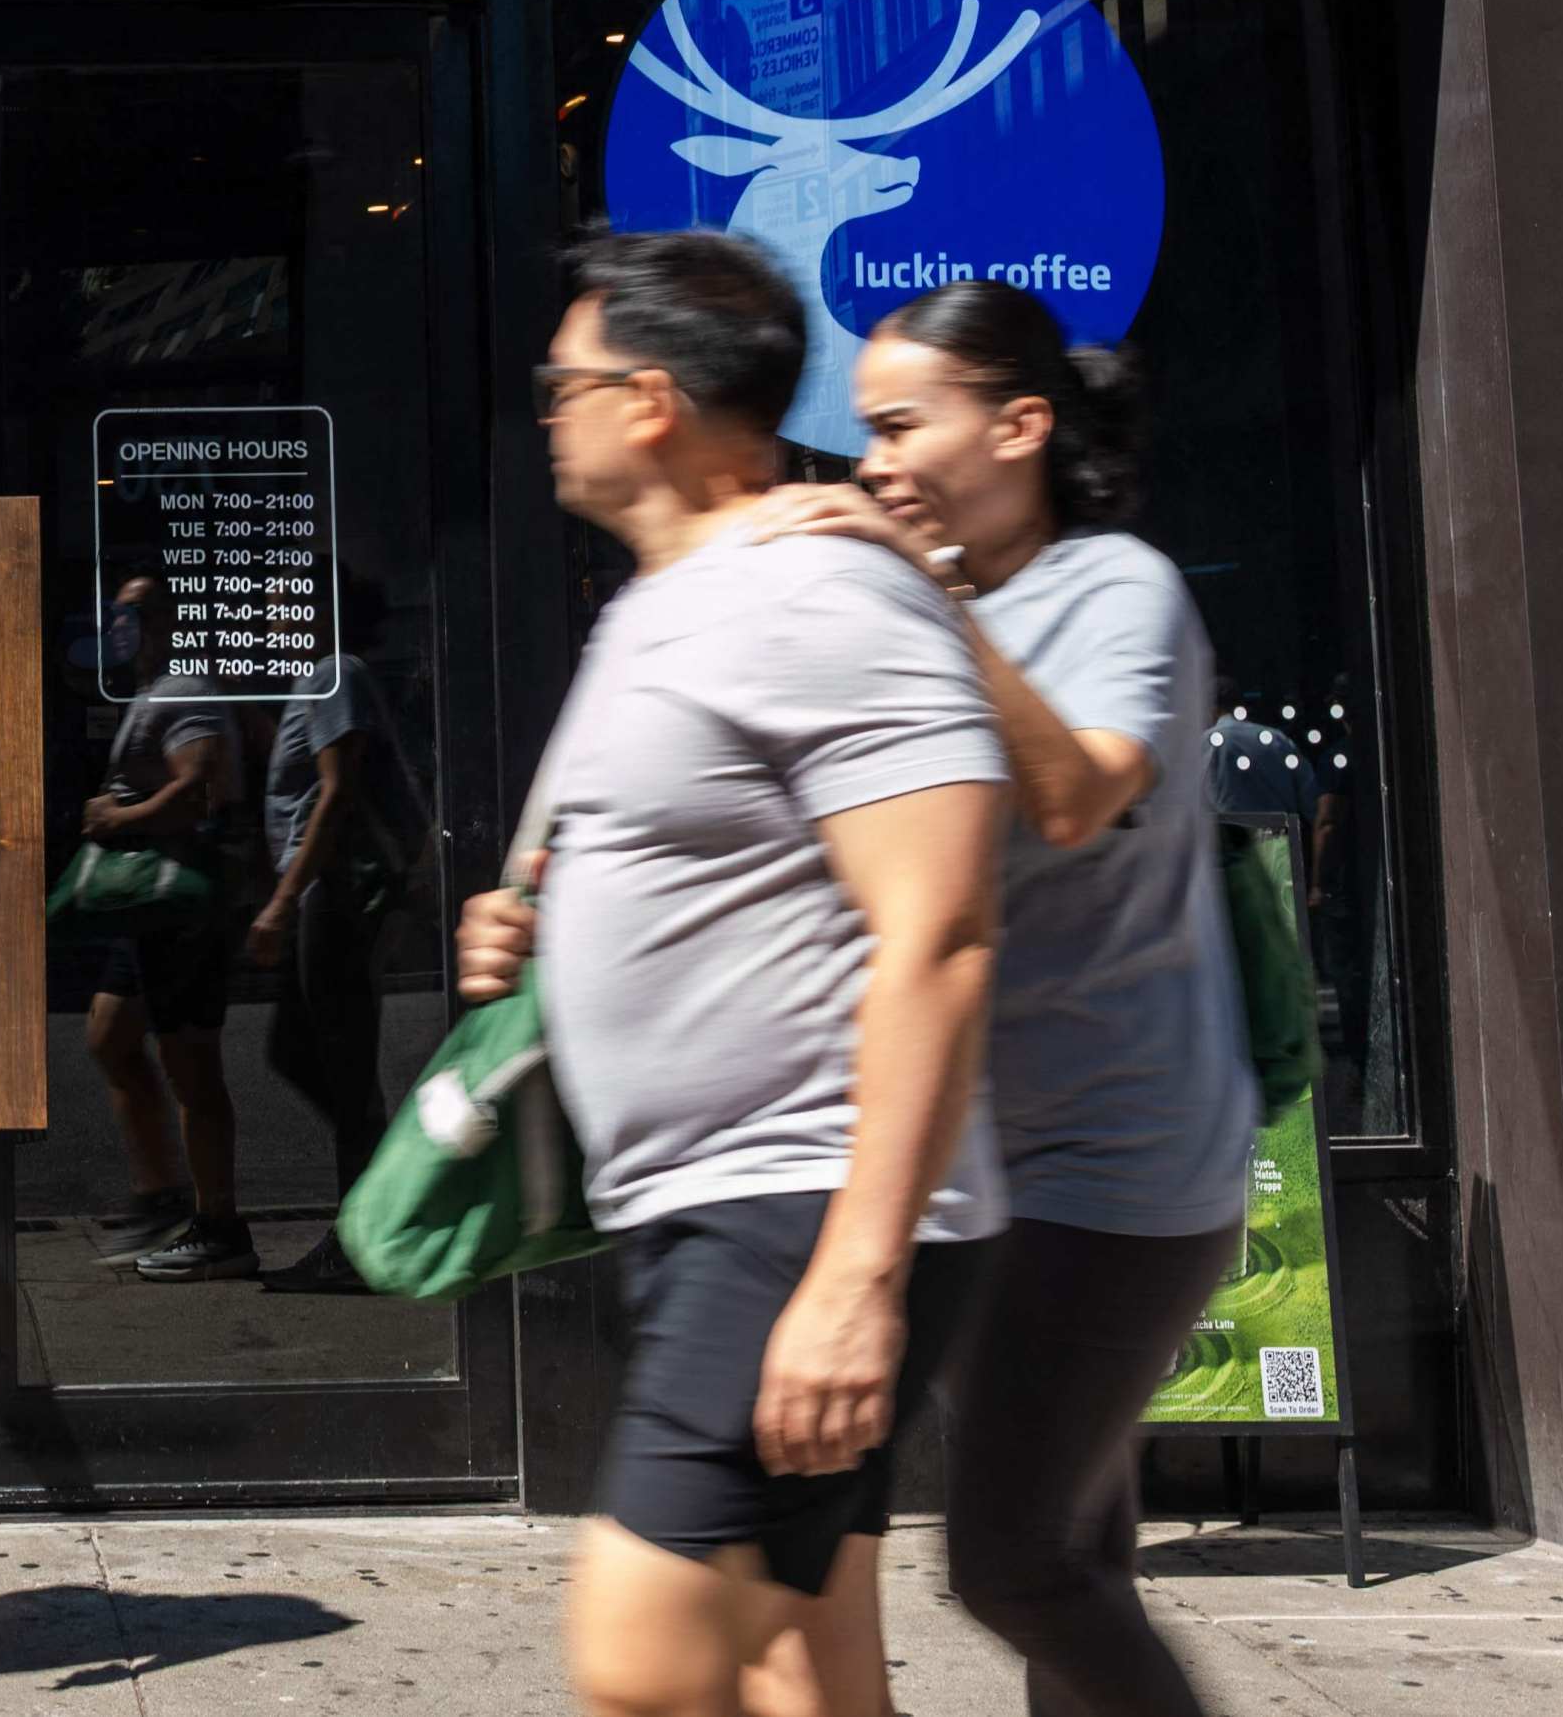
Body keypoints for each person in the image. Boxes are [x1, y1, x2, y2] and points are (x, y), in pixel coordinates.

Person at [454, 231, 1007, 1717]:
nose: (545, 408)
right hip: (719, 1202)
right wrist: (533, 923)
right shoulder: (666, 601)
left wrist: (854, 1279)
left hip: (798, 1205)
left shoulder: (816, 590)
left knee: (642, 1663)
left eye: (559, 381)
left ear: (646, 398)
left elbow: (943, 930)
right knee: (801, 1671)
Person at [753, 282, 1254, 1717]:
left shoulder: (1115, 589)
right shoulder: (941, 599)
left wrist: (930, 605)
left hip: (1120, 1163)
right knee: (1074, 1547)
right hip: (979, 1167)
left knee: (1012, 1559)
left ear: (1021, 423)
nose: (874, 461)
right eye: (866, 432)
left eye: (905, 423)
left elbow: (1080, 792)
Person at [83, 569, 261, 1283]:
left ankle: (221, 1228)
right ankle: (161, 1197)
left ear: (161, 622)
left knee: (193, 1067)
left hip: (182, 907)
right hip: (149, 908)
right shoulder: (152, 692)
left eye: (134, 614)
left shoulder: (184, 692)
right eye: (117, 615)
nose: (120, 627)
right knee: (108, 1035)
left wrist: (113, 817)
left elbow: (197, 792)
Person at [250, 621, 419, 1295]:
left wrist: (284, 901)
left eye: (284, 605)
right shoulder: (311, 679)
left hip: (336, 892)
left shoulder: (332, 671)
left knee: (340, 1066)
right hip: (321, 892)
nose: (267, 624)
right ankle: (383, 1198)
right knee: (295, 1049)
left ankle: (366, 1236)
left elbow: (336, 790)